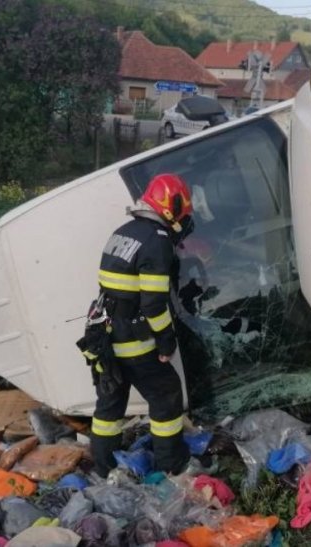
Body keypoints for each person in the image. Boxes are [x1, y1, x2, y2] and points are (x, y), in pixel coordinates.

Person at [89, 173, 194, 477]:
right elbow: (153, 304)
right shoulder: (157, 242)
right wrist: (166, 341)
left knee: (109, 407)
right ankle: (171, 467)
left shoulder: (123, 231)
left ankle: (104, 470)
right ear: (171, 207)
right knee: (166, 395)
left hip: (103, 335)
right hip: (132, 340)